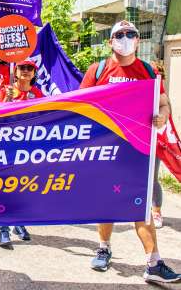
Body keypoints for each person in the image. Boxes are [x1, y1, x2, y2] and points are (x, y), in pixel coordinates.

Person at [80, 20, 180, 283]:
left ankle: (153, 263)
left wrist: (163, 115)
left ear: (137, 40)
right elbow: (79, 106)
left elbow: (164, 102)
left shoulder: (147, 71)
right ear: (110, 41)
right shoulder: (97, 70)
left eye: (131, 34)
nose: (125, 38)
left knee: (142, 205)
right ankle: (104, 248)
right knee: (107, 203)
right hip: (105, 149)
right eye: (119, 34)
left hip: (138, 150)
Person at [0, 59, 44, 248]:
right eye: (22, 68)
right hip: (6, 147)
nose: (26, 71)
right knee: (4, 187)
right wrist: (6, 101)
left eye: (29, 68)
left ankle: (19, 222)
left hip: (28, 148)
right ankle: (3, 229)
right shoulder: (6, 91)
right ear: (15, 71)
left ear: (34, 73)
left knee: (23, 187)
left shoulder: (38, 94)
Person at [149, 60, 166, 228]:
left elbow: (165, 114)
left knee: (152, 178)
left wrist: (161, 118)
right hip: (137, 140)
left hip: (155, 142)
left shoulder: (162, 98)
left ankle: (156, 212)